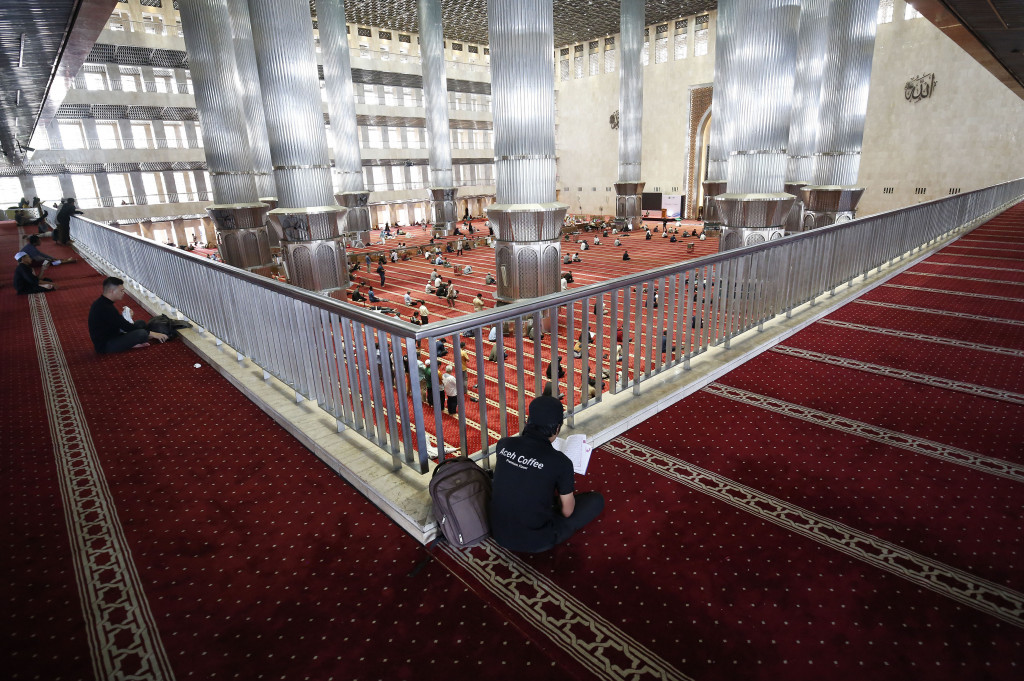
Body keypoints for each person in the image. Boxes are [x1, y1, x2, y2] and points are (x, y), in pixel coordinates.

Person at [489, 396, 604, 553]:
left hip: (499, 533)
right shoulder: (561, 462)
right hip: (536, 541)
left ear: (527, 421)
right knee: (595, 500)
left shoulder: (504, 444)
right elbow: (567, 512)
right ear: (557, 429)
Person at [88, 277, 168, 353]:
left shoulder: (103, 303)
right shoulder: (105, 307)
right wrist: (153, 334)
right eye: (121, 291)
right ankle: (131, 343)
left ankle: (131, 343)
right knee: (142, 333)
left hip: (114, 334)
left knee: (141, 323)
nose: (123, 293)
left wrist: (127, 317)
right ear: (112, 291)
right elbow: (125, 326)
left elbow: (116, 322)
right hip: (106, 345)